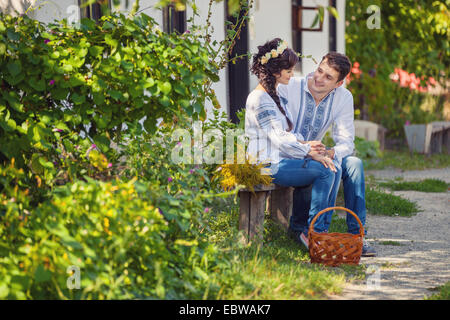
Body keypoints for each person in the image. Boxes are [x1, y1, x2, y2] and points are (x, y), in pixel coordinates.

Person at [277, 52, 377, 257]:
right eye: (319, 70)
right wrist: (307, 148)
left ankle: (356, 238)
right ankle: (313, 232)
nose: (319, 78)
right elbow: (280, 133)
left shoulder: (343, 97)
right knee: (325, 168)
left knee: (354, 164)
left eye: (328, 77)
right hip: (289, 153)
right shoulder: (290, 87)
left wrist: (332, 152)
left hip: (318, 153)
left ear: (338, 84)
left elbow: (346, 141)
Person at [245, 38, 341, 246]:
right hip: (265, 163)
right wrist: (308, 152)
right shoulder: (259, 99)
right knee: (324, 169)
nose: (292, 74)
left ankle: (309, 229)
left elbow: (286, 133)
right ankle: (313, 234)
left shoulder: (274, 95)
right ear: (275, 70)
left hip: (280, 158)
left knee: (334, 166)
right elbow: (277, 137)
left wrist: (308, 144)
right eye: (288, 70)